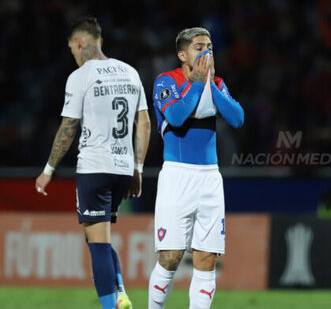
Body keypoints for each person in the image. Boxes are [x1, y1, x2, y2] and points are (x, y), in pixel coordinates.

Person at [35, 16, 150, 309]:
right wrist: (137, 168)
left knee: (97, 244)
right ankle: (121, 289)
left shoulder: (81, 76)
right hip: (124, 169)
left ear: (80, 43)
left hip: (94, 167)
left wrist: (48, 169)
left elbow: (68, 127)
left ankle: (111, 305)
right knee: (98, 235)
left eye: (72, 49)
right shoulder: (130, 71)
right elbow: (144, 123)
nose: (73, 55)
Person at [148, 27, 244, 309]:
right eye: (199, 47)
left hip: (210, 178)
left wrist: (211, 85)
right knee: (170, 257)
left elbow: (237, 118)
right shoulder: (167, 81)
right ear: (182, 54)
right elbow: (176, 117)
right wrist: (199, 84)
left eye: (210, 47)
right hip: (178, 176)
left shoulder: (218, 83)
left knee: (207, 258)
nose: (207, 52)